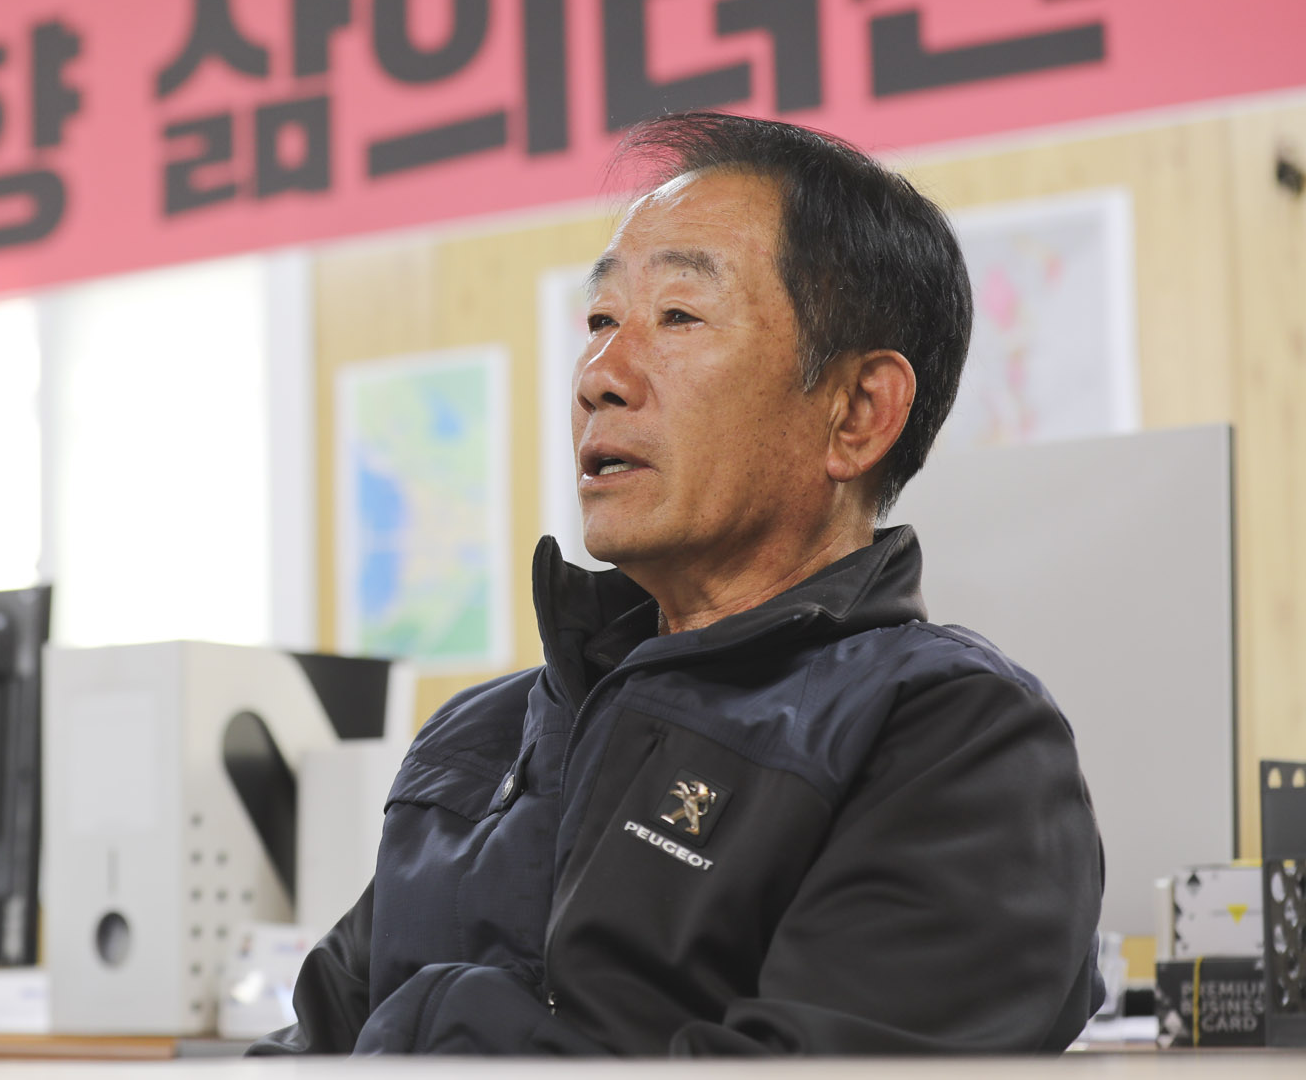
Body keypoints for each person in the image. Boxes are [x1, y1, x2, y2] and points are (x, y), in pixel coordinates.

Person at [250, 112, 1104, 1056]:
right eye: (600, 320)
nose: (599, 376)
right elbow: (312, 1042)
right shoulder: (479, 738)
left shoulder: (955, 739)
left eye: (679, 317)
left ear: (858, 413)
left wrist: (428, 1039)